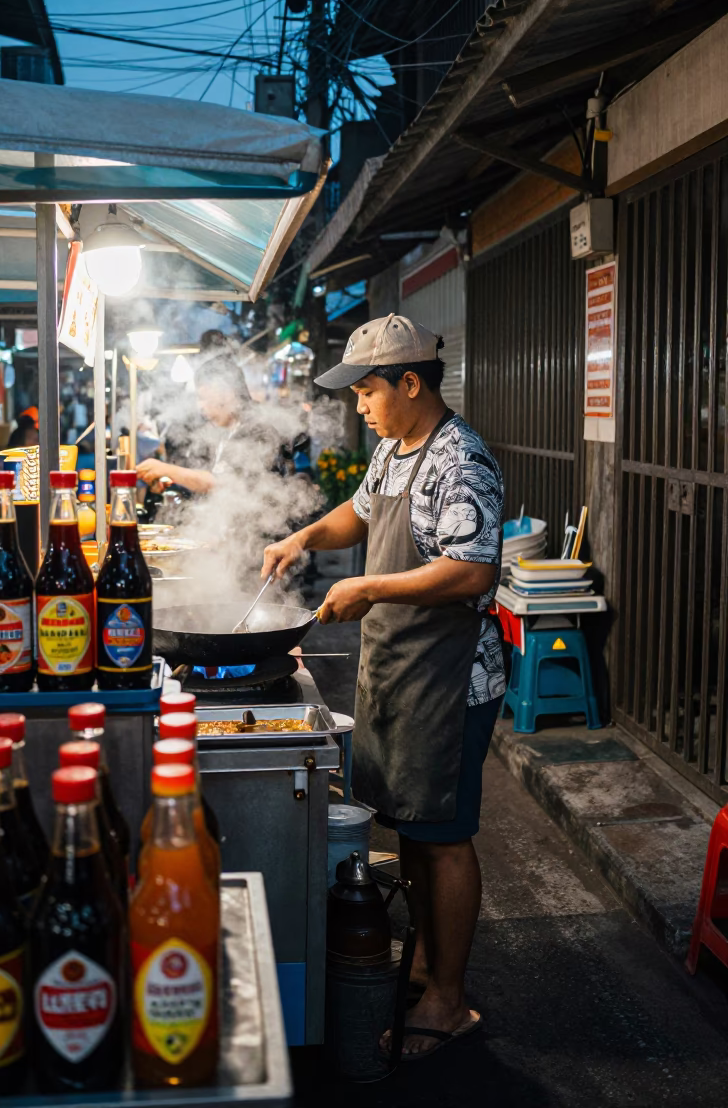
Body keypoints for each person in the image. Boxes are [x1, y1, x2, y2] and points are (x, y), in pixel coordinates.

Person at [261, 314, 505, 1061]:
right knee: (412, 828)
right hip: (398, 668)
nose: (358, 406)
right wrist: (304, 535)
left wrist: (370, 585)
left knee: (444, 836)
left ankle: (449, 997)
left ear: (410, 382)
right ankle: (427, 963)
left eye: (367, 390)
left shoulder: (460, 461)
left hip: (449, 677)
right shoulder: (394, 451)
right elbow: (358, 514)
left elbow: (472, 570)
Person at [136, 356, 268, 495]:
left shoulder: (257, 429)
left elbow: (228, 484)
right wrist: (177, 479)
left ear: (226, 395)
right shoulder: (228, 430)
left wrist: (169, 470)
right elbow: (213, 475)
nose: (200, 406)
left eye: (203, 398)